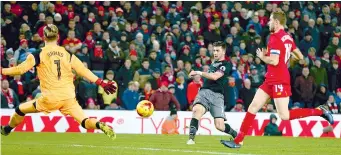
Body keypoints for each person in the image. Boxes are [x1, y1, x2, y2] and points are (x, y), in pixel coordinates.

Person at [221, 11, 334, 148]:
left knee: (284, 115)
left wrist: (263, 57)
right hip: (271, 79)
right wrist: (287, 60)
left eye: (270, 20)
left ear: (276, 22)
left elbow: (274, 61)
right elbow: (300, 56)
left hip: (280, 80)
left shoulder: (274, 38)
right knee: (253, 106)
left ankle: (320, 111)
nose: (268, 23)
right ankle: (238, 140)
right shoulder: (287, 37)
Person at [0, 24, 117, 140]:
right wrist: (101, 83)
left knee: (20, 110)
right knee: (84, 121)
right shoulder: (67, 54)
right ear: (58, 37)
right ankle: (98, 124)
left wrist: (2, 70)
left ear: (43, 37)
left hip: (50, 98)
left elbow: (20, 69)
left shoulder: (38, 53)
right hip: (68, 97)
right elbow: (83, 70)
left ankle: (7, 129)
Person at [186, 41, 237, 145]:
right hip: (204, 92)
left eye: (217, 50)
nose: (215, 53)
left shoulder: (226, 64)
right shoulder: (213, 63)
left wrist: (199, 72)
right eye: (214, 50)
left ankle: (235, 134)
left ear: (223, 51)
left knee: (219, 126)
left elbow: (215, 76)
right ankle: (191, 139)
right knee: (197, 110)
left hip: (218, 96)